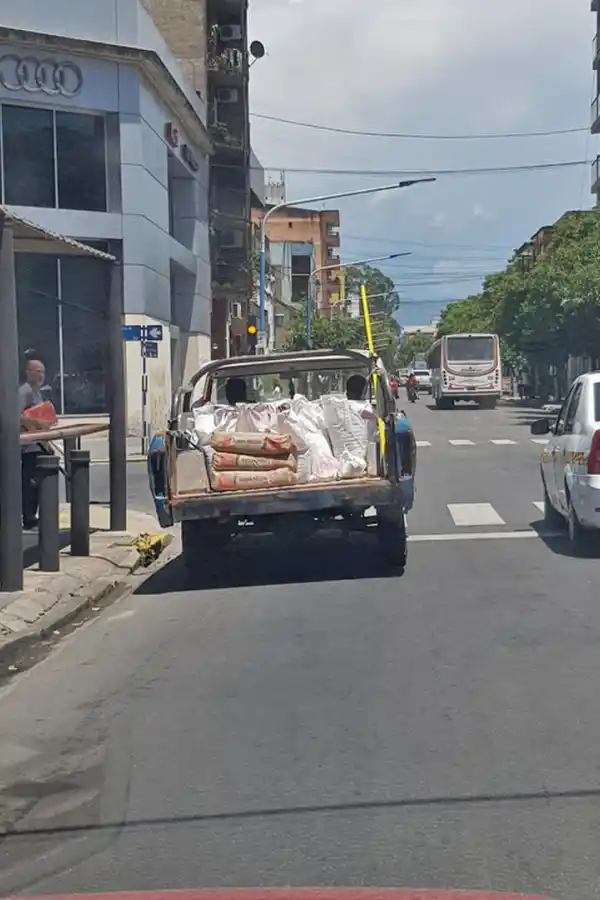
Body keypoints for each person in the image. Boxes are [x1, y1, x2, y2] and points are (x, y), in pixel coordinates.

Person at [19, 357, 49, 529]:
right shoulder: (25, 392)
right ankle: (29, 518)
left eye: (42, 371)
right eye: (37, 371)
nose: (41, 375)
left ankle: (34, 516)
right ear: (28, 372)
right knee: (30, 483)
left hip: (39, 443)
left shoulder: (37, 392)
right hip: (29, 446)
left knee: (38, 483)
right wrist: (36, 422)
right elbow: (17, 415)